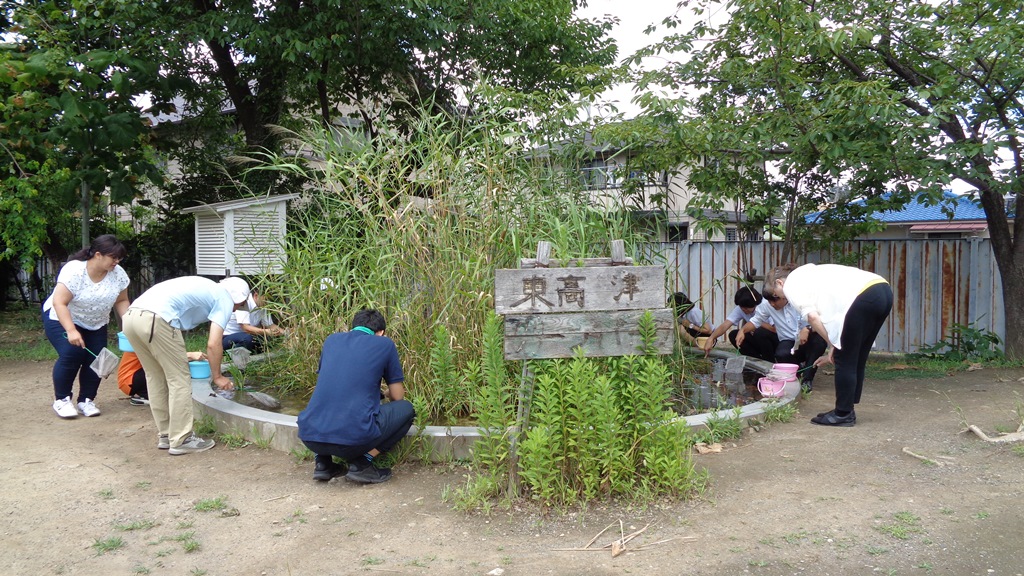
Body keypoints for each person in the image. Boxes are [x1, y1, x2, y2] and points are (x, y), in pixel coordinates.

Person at [122, 276, 250, 455]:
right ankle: (182, 439)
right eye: (240, 305)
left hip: (131, 316)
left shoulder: (207, 287)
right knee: (179, 379)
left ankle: (167, 435)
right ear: (239, 298)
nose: (236, 309)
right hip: (157, 318)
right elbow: (214, 343)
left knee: (155, 376)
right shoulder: (225, 298)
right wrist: (218, 377)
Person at [765, 263, 893, 427]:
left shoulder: (791, 285)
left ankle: (843, 413)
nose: (782, 299)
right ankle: (848, 405)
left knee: (844, 357)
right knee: (856, 355)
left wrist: (832, 344)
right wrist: (834, 345)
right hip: (882, 289)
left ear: (780, 283)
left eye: (778, 295)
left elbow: (812, 317)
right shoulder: (808, 273)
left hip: (862, 296)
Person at [298, 309, 415, 484]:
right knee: (406, 409)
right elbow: (398, 397)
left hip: (309, 436)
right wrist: (388, 393)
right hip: (353, 441)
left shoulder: (331, 341)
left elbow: (336, 384)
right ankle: (362, 464)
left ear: (353, 327)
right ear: (381, 333)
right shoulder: (385, 344)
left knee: (325, 406)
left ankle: (323, 464)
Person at [42, 235, 130, 418]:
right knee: (72, 353)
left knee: (97, 358)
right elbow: (60, 303)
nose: (117, 261)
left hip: (96, 321)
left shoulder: (118, 273)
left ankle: (86, 400)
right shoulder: (74, 271)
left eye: (119, 258)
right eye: (113, 257)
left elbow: (122, 300)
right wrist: (71, 330)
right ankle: (62, 400)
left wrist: (130, 327)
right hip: (62, 317)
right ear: (98, 255)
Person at [735, 283, 828, 390]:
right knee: (781, 354)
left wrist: (807, 329)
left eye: (774, 301)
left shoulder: (800, 301)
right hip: (788, 341)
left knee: (819, 341)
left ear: (784, 297)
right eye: (769, 301)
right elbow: (756, 321)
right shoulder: (767, 306)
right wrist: (743, 330)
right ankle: (796, 373)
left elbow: (820, 321)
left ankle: (807, 379)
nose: (772, 304)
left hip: (809, 339)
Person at [701, 286, 778, 362]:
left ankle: (769, 361)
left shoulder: (766, 305)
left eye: (746, 308)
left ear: (754, 304)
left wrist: (755, 324)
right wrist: (711, 338)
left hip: (775, 341)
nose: (743, 310)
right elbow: (725, 325)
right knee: (734, 334)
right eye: (741, 307)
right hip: (758, 339)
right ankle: (755, 361)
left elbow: (775, 329)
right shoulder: (741, 308)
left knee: (760, 332)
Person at [117, 350, 206, 406]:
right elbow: (165, 357)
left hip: (133, 378)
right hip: (130, 380)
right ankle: (144, 394)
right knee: (167, 367)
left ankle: (143, 393)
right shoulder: (145, 334)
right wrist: (190, 355)